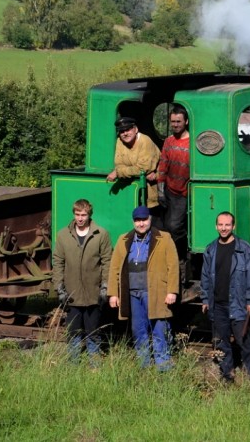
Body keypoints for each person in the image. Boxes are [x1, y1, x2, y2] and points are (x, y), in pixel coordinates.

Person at [108, 205, 179, 370]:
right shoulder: (123, 239)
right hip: (133, 293)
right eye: (138, 220)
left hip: (155, 292)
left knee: (159, 330)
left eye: (144, 220)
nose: (141, 224)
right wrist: (113, 294)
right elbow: (115, 268)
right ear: (133, 221)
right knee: (138, 331)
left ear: (150, 219)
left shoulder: (164, 238)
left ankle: (164, 366)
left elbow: (173, 266)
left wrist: (172, 291)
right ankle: (144, 366)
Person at [200, 211, 250, 383]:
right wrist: (205, 298)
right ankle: (227, 374)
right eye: (220, 225)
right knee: (221, 341)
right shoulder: (211, 249)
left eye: (227, 225)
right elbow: (205, 276)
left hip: (238, 303)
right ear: (216, 226)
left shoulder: (244, 249)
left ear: (233, 226)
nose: (224, 228)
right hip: (217, 304)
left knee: (243, 340)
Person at [51, 199, 112, 364]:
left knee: (93, 330)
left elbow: (107, 262)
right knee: (73, 331)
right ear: (74, 214)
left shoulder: (101, 234)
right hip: (72, 293)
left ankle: (95, 363)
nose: (80, 218)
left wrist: (105, 286)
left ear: (89, 215)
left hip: (93, 293)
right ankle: (73, 362)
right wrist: (59, 287)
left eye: (83, 215)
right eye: (77, 214)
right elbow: (58, 262)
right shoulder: (63, 235)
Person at [107, 116, 160, 209]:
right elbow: (119, 163)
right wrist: (136, 171)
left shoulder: (145, 140)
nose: (125, 134)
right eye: (122, 131)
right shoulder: (120, 141)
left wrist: (119, 172)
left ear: (135, 129)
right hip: (131, 191)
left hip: (151, 191)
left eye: (128, 130)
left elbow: (143, 168)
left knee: (151, 219)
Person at [156, 106, 190, 245]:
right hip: (169, 189)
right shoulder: (168, 141)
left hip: (184, 192)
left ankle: (181, 252)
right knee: (165, 226)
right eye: (173, 121)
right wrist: (160, 191)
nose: (175, 125)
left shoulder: (192, 142)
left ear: (186, 122)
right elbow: (163, 167)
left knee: (174, 227)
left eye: (178, 121)